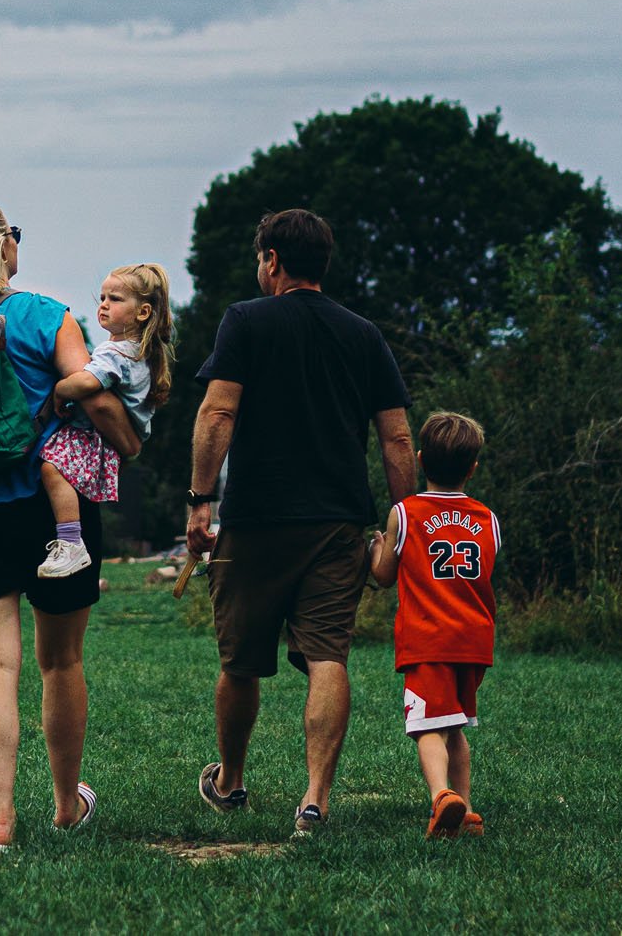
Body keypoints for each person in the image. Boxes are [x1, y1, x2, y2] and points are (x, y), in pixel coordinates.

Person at [0, 199, 140, 851]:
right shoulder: (45, 313)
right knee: (61, 660)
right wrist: (130, 439)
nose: (19, 242)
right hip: (51, 504)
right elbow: (91, 390)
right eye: (14, 233)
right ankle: (67, 804)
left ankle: (0, 824)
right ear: (0, 246)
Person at [185, 208, 415, 838]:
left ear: (273, 261)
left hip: (255, 520)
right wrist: (404, 521)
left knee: (240, 660)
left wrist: (200, 499)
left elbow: (216, 414)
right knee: (326, 655)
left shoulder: (245, 321)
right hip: (339, 523)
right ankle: (314, 799)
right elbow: (396, 439)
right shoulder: (362, 333)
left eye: (260, 258)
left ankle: (230, 783)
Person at [368, 411, 498, 839]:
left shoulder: (405, 513)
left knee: (426, 728)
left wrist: (376, 548)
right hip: (473, 641)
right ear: (473, 468)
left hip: (428, 640)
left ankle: (442, 797)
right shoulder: (487, 519)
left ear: (420, 461)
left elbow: (385, 576)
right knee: (454, 725)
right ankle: (467, 810)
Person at [35, 264, 174, 579]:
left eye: (115, 298)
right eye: (102, 297)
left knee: (51, 467)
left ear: (142, 313)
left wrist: (59, 390)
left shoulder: (116, 352)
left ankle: (71, 543)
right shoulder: (142, 352)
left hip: (93, 436)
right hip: (116, 442)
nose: (104, 304)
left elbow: (87, 384)